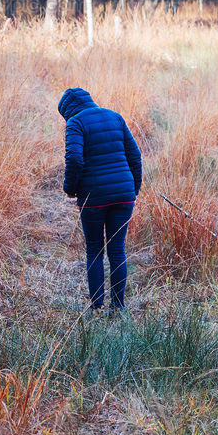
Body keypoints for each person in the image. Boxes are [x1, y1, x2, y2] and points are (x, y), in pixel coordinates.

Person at [58, 87, 142, 314]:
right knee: (117, 250)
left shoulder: (75, 123)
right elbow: (135, 156)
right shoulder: (115, 116)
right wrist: (133, 189)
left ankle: (96, 308)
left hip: (94, 198)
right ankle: (118, 307)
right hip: (124, 196)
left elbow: (74, 159)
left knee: (94, 250)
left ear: (68, 109)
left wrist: (70, 189)